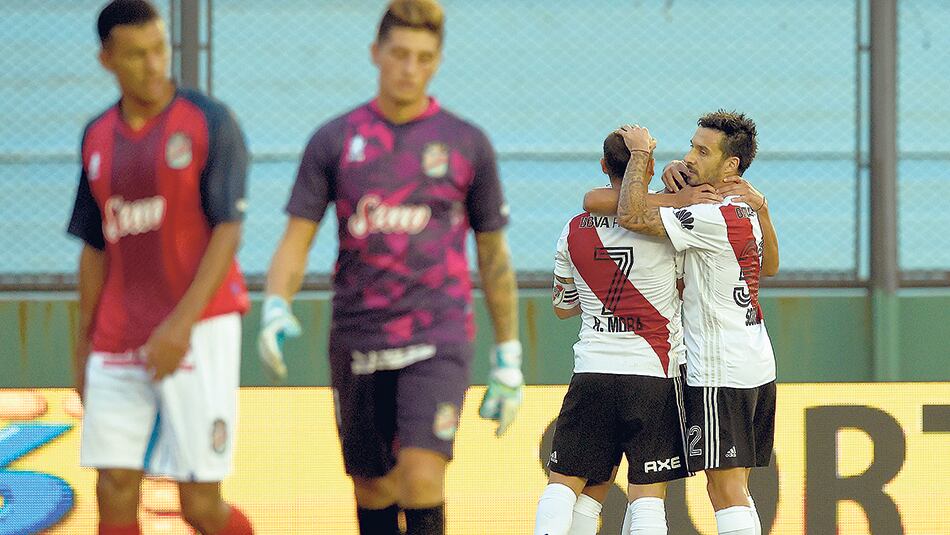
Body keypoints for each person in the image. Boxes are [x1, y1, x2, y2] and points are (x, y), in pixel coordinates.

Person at [256, 1, 522, 534]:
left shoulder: (467, 144)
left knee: (422, 476)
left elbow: (492, 256)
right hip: (359, 334)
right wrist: (274, 305)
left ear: (438, 61)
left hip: (438, 334)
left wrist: (508, 354)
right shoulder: (334, 140)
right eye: (399, 54)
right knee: (373, 486)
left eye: (424, 57)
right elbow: (296, 238)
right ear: (376, 54)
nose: (410, 68)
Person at [66, 1, 254, 534]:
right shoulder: (96, 135)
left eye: (158, 50)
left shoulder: (209, 121)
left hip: (198, 328)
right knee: (113, 489)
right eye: (136, 55)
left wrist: (180, 324)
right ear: (107, 60)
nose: (153, 65)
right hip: (118, 334)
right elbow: (95, 245)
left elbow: (228, 231)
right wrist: (84, 344)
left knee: (198, 504)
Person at [535, 131, 727, 535]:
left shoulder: (573, 229)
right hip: (653, 373)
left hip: (593, 373)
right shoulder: (666, 228)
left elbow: (561, 306)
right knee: (647, 499)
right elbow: (686, 288)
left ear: (604, 167)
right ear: (650, 169)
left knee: (569, 485)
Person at [605, 114, 778, 535]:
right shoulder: (745, 204)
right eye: (691, 146)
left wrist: (643, 157)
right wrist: (764, 206)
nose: (689, 157)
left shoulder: (708, 215)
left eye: (703, 151)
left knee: (724, 488)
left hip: (719, 368)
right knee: (735, 486)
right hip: (756, 362)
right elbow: (770, 266)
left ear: (731, 166)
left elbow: (629, 214)